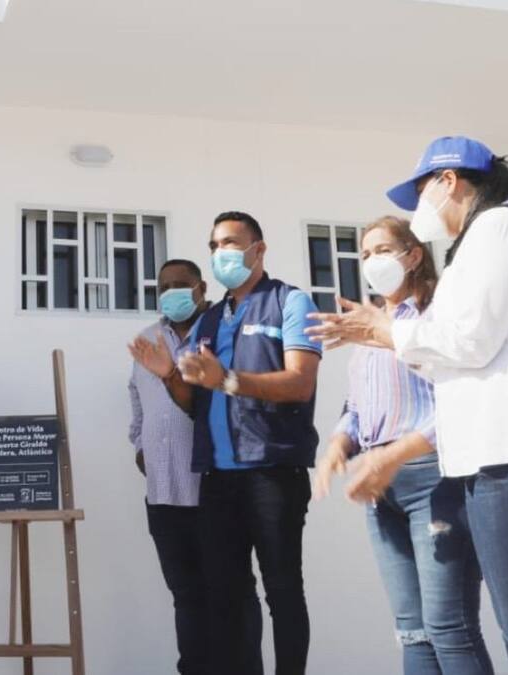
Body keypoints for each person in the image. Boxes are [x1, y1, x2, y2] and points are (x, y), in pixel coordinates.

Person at [308, 136, 508, 675]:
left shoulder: (500, 227)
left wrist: (387, 331)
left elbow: (468, 340)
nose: (419, 209)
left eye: (420, 193)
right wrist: (384, 336)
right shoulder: (484, 239)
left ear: (448, 180)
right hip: (504, 454)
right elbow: (455, 359)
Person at [130, 211, 320, 675]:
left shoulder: (291, 302)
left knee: (282, 592)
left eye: (231, 243)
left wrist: (228, 380)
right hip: (216, 480)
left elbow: (300, 383)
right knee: (226, 596)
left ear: (259, 249)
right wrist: (170, 376)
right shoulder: (210, 320)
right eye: (214, 246)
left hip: (272, 472)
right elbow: (195, 405)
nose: (221, 253)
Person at [313, 216, 492, 675]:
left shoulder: (438, 316)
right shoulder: (367, 328)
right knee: (411, 630)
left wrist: (394, 456)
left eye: (382, 250)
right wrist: (337, 445)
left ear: (413, 256)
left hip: (434, 479)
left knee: (449, 627)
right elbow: (358, 406)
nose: (371, 261)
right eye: (365, 254)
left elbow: (457, 400)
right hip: (382, 493)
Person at [127, 259, 211, 675]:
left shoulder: (217, 333)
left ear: (201, 288)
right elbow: (137, 398)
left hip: (212, 491)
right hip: (162, 494)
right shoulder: (148, 339)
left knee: (227, 594)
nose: (172, 292)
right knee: (185, 596)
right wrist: (140, 446)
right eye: (164, 286)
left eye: (181, 284)